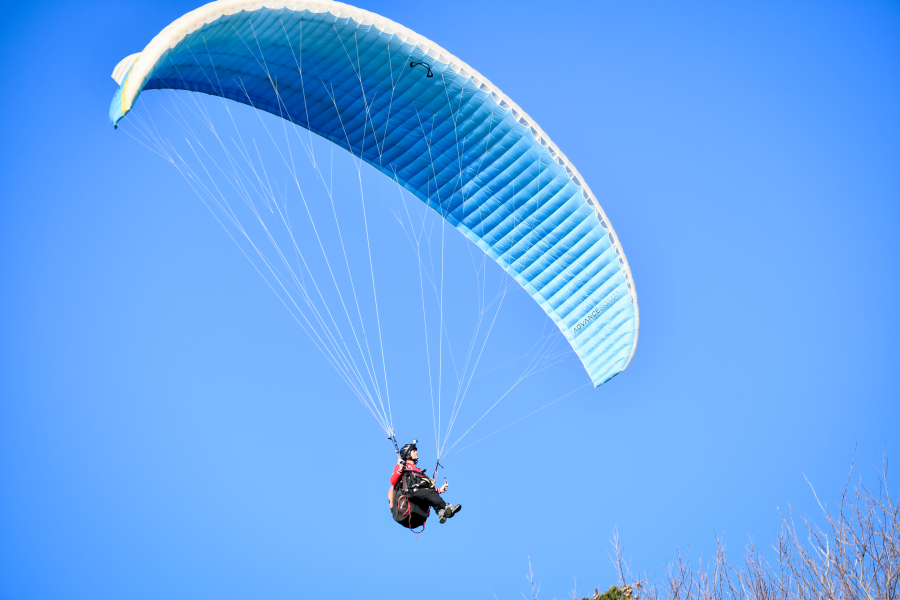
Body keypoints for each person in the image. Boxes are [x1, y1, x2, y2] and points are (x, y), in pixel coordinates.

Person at [390, 441, 461, 524]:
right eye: (414, 451)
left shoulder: (419, 471)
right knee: (430, 493)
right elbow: (393, 481)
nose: (417, 452)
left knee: (431, 492)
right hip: (411, 492)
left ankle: (441, 512)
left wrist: (439, 490)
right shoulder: (402, 467)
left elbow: (427, 488)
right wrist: (400, 468)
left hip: (419, 493)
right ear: (408, 453)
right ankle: (445, 507)